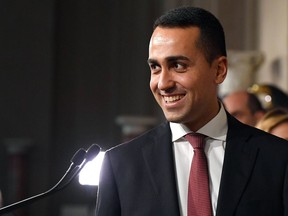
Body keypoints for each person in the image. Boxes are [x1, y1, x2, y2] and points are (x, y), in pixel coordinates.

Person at [96, 6, 288, 216]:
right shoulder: (120, 165)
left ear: (219, 70)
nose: (163, 83)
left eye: (178, 65)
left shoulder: (277, 158)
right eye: (155, 68)